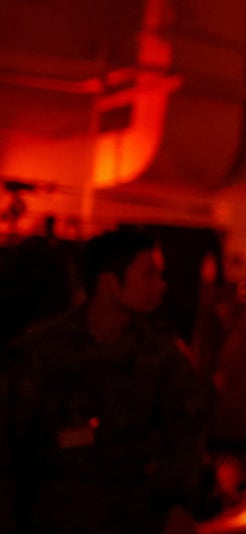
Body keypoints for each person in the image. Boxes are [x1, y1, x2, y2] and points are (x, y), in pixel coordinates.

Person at [0, 226, 211, 533]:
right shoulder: (41, 351)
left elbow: (187, 438)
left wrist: (178, 504)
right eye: (150, 274)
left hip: (134, 519)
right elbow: (9, 444)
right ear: (110, 283)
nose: (161, 285)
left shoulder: (164, 357)